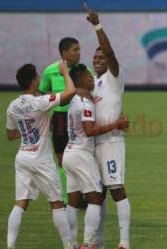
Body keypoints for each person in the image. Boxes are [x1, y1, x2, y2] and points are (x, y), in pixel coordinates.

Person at [6, 62, 75, 249]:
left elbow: (11, 135)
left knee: (20, 203)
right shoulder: (40, 102)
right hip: (41, 160)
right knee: (57, 204)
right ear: (34, 80)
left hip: (22, 158)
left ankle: (10, 245)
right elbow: (70, 92)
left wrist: (29, 128)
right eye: (37, 76)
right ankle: (69, 246)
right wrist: (64, 72)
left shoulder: (13, 106)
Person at [62, 64, 129, 249]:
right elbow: (90, 130)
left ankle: (71, 245)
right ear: (81, 79)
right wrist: (116, 124)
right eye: (88, 76)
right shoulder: (85, 103)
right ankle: (88, 243)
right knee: (95, 198)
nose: (92, 79)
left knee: (73, 202)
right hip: (82, 155)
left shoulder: (73, 100)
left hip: (69, 153)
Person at [85, 6, 131, 249]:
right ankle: (97, 243)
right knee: (97, 195)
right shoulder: (93, 84)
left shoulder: (114, 76)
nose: (97, 60)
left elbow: (110, 53)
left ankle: (124, 243)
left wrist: (97, 26)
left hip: (112, 143)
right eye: (95, 58)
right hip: (94, 144)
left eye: (101, 57)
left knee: (116, 190)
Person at [39, 37, 80, 205]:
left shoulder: (83, 70)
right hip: (60, 119)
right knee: (62, 160)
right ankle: (65, 197)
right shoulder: (50, 71)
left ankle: (81, 195)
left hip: (78, 118)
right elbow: (42, 94)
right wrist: (44, 118)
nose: (79, 53)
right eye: (75, 50)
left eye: (79, 49)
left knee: (79, 158)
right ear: (64, 53)